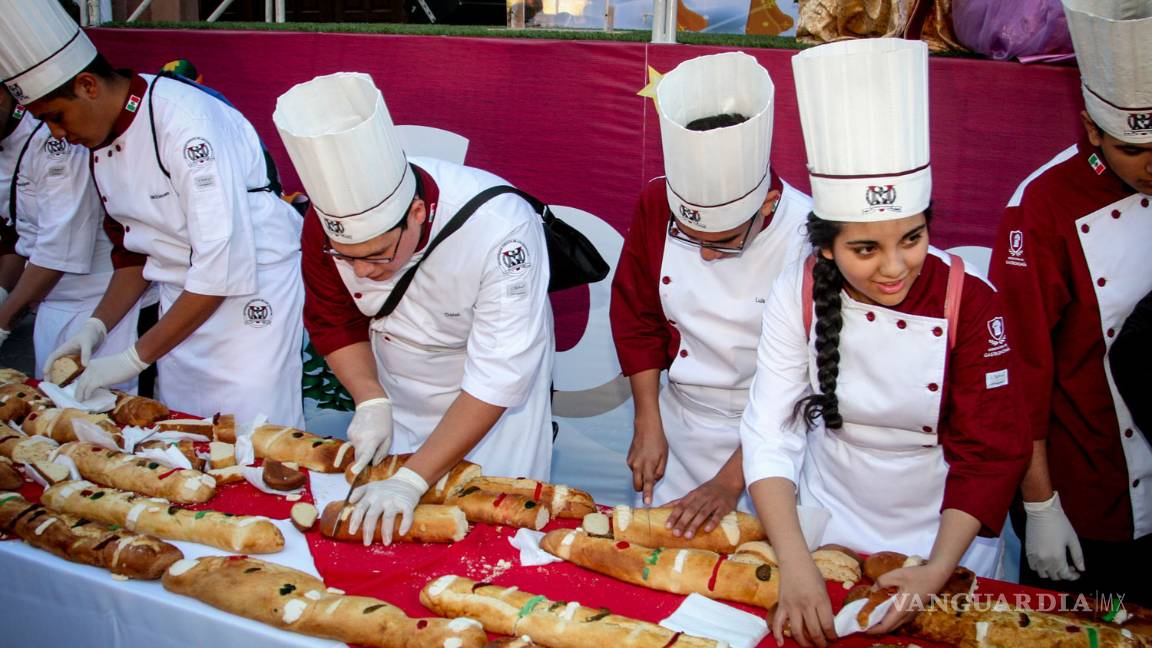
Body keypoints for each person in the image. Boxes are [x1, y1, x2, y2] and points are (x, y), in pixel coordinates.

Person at [739, 39, 1029, 646]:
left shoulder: (969, 300)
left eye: (913, 239)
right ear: (825, 248)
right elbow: (771, 432)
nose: (895, 268)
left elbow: (991, 451)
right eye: (865, 249)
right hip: (829, 525)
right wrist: (795, 566)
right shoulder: (798, 294)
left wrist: (935, 570)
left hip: (944, 535)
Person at [274, 72, 554, 545]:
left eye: (378, 256)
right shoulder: (325, 227)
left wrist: (411, 479)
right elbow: (333, 319)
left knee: (491, 535)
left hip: (491, 408)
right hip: (396, 383)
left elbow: (498, 374)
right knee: (393, 538)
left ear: (418, 215)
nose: (361, 272)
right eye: (346, 257)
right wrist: (370, 399)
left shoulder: (502, 228)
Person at [0, 0, 305, 427]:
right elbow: (132, 254)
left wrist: (132, 358)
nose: (57, 134)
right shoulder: (99, 142)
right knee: (184, 428)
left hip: (251, 295)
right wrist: (96, 327)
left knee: (251, 429)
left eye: (55, 117)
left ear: (88, 86)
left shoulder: (184, 120)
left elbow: (220, 267)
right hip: (179, 300)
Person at [989, 0, 1152, 606]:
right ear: (1090, 128)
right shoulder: (1043, 207)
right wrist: (1041, 506)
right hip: (1088, 497)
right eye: (1134, 148)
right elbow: (1022, 374)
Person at [610, 51, 812, 539]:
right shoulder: (658, 202)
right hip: (681, 427)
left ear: (767, 206)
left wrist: (728, 482)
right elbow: (637, 314)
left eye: (723, 243)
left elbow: (806, 381)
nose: (703, 257)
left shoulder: (809, 235)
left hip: (780, 440)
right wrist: (647, 419)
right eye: (690, 237)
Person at [0, 86, 141, 384]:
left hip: (103, 309)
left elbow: (57, 251)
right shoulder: (13, 142)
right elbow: (19, 234)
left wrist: (2, 322)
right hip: (50, 307)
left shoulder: (57, 144)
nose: (57, 129)